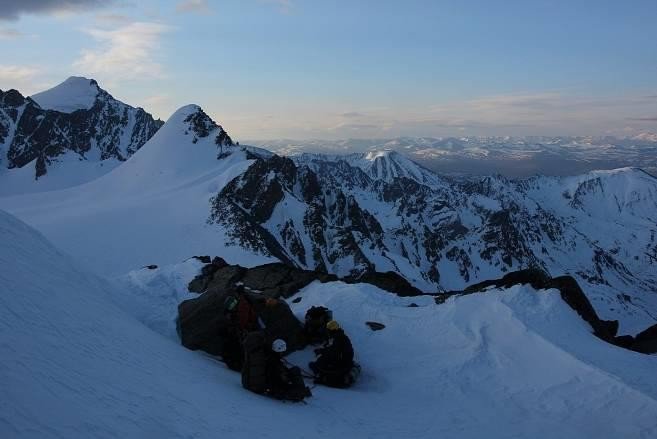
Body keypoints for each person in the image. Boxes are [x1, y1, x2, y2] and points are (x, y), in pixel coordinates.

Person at [309, 320, 355, 388]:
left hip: (342, 364)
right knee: (323, 360)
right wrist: (322, 350)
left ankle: (323, 377)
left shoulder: (337, 339)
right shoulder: (341, 336)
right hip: (347, 361)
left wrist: (322, 353)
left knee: (320, 363)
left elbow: (333, 353)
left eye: (328, 330)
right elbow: (333, 349)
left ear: (331, 330)